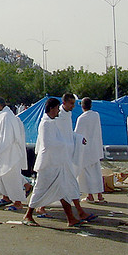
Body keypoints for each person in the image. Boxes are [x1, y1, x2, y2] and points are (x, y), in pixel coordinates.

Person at [23, 98, 83, 227]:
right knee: (40, 190)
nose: (58, 111)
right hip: (47, 164)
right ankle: (28, 215)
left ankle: (71, 218)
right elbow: (48, 144)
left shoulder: (51, 122)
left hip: (56, 163)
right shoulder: (46, 123)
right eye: (57, 108)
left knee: (62, 190)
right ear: (51, 109)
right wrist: (66, 145)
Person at [54, 93, 92, 222]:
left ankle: (78, 212)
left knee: (69, 183)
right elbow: (55, 136)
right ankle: (32, 211)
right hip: (58, 156)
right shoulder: (56, 116)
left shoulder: (67, 115)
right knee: (48, 185)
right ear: (64, 103)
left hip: (66, 155)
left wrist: (78, 138)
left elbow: (68, 133)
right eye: (71, 104)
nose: (73, 106)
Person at [0, 97, 28, 210]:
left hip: (9, 153)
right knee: (0, 176)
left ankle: (17, 202)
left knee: (11, 177)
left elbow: (5, 138)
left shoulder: (6, 117)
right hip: (5, 152)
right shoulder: (4, 115)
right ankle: (6, 197)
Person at [74, 97, 105, 203]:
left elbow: (77, 134)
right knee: (96, 172)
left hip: (86, 149)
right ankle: (99, 195)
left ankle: (90, 195)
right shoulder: (96, 115)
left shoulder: (81, 118)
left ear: (82, 106)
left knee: (86, 173)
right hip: (95, 147)